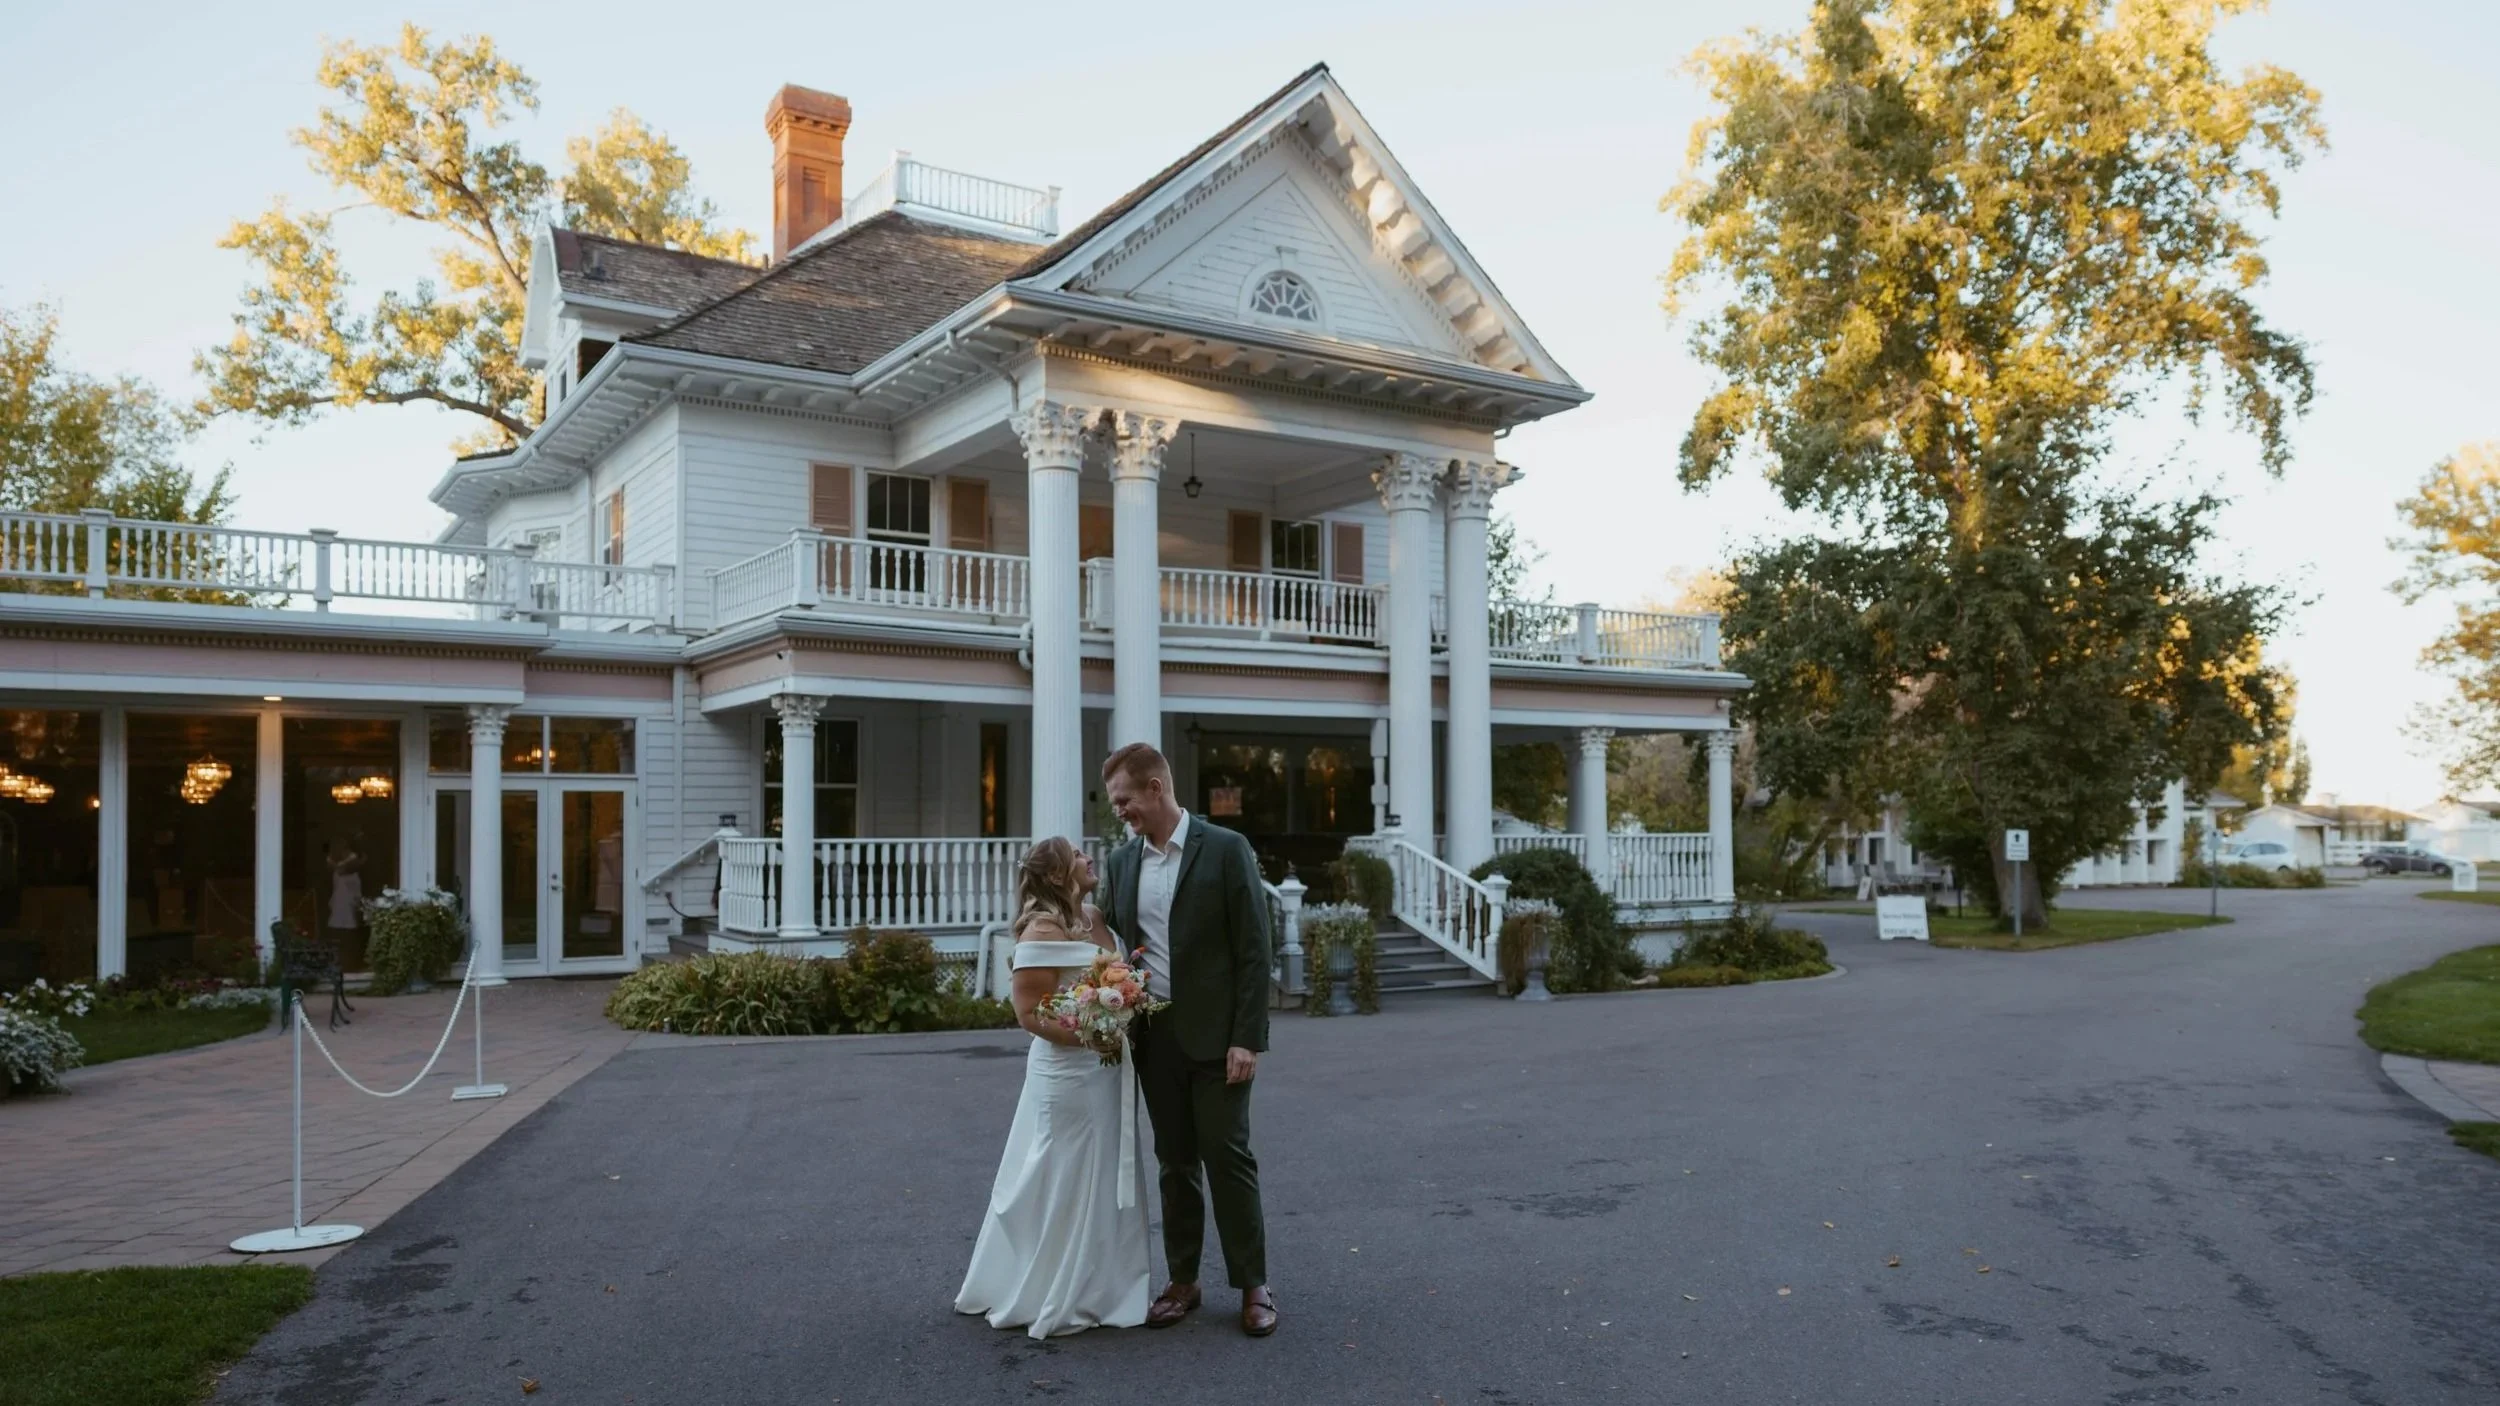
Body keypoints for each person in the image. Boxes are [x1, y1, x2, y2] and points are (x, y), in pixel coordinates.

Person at [1093, 742, 1277, 1337]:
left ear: (1155, 788)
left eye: (1124, 800)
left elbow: (1255, 949)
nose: (1119, 811)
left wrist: (1247, 1037)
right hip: (1155, 1036)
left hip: (1221, 1038)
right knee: (1173, 1163)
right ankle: (1183, 1281)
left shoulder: (1226, 850)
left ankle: (1254, 1285)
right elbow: (1106, 935)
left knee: (1228, 1158)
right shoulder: (1122, 864)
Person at [954, 837, 1151, 1338]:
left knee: (1104, 1167)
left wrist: (1121, 1013)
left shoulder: (1097, 918)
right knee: (1061, 1167)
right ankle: (1047, 1285)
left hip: (1105, 1070)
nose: (1090, 860)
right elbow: (1029, 1012)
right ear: (1061, 873)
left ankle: (1102, 1285)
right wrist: (1093, 1034)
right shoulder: (1041, 929)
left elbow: (1114, 977)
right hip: (1066, 1071)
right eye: (1080, 856)